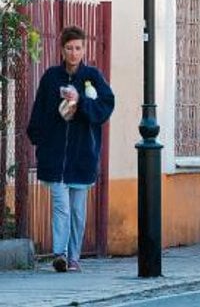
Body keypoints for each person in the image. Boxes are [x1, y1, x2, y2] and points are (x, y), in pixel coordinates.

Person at [27, 26, 115, 273]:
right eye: (69, 48)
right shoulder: (50, 77)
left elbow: (106, 106)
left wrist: (81, 101)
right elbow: (39, 110)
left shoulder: (93, 77)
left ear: (84, 49)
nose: (74, 53)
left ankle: (74, 256)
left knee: (77, 211)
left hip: (82, 156)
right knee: (61, 206)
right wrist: (39, 139)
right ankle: (60, 255)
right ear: (62, 50)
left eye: (78, 48)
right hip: (54, 156)